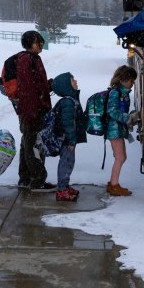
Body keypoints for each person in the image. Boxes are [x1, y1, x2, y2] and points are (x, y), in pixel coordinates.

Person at [15, 30, 56, 192]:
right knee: (35, 146)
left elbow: (35, 84)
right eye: (38, 42)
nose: (41, 45)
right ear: (29, 43)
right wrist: (33, 112)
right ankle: (38, 180)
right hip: (33, 111)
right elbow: (28, 89)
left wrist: (48, 85)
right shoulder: (27, 60)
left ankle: (25, 179)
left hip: (31, 110)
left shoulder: (31, 59)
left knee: (27, 144)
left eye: (41, 42)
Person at [51, 72, 86, 202]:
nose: (75, 81)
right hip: (66, 140)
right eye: (72, 80)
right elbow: (68, 123)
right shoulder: (68, 102)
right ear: (66, 85)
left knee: (69, 162)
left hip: (69, 139)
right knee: (66, 163)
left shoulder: (71, 100)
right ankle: (61, 190)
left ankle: (64, 186)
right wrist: (71, 139)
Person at [105, 65, 139, 197]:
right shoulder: (115, 93)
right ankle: (114, 185)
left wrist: (130, 117)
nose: (133, 83)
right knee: (120, 157)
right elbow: (112, 111)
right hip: (114, 130)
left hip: (119, 129)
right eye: (131, 80)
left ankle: (113, 183)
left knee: (121, 157)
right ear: (124, 79)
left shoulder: (122, 93)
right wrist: (127, 118)